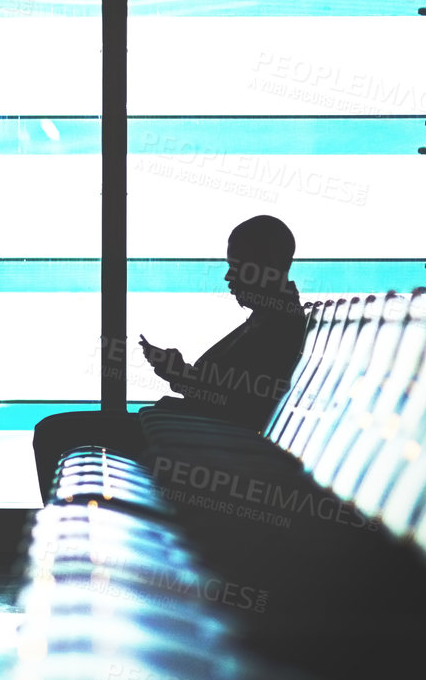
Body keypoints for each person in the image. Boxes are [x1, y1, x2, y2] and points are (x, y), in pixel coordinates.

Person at [33, 215, 307, 505]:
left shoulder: (275, 327)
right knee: (57, 432)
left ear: (267, 264)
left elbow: (236, 406)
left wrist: (180, 376)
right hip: (186, 431)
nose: (229, 277)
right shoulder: (271, 320)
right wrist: (179, 374)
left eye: (236, 267)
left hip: (193, 439)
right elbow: (232, 396)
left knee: (53, 433)